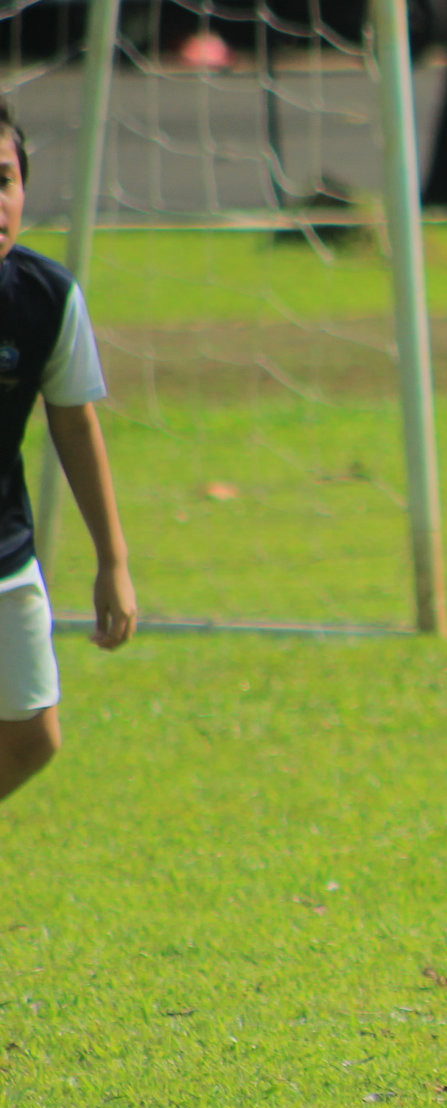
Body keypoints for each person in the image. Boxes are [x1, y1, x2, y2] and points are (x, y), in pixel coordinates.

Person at [0, 102, 138, 808]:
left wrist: (112, 561)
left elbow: (75, 424)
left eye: (4, 180)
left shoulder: (46, 298)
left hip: (6, 553)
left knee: (35, 739)